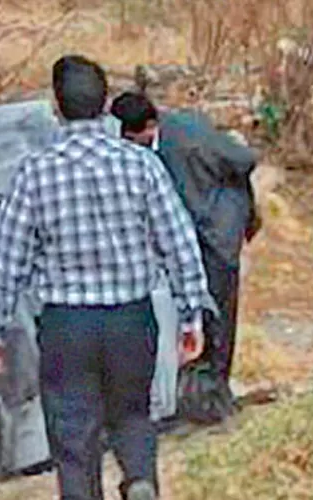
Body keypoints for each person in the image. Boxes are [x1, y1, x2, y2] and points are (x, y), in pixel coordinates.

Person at [0, 54, 215, 500]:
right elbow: (178, 240)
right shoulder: (140, 164)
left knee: (73, 443)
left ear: (55, 108)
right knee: (133, 413)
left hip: (67, 324)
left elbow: (6, 258)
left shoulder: (35, 172)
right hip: (132, 317)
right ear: (106, 105)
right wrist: (192, 312)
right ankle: (140, 480)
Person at [110, 91, 260, 425]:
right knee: (195, 314)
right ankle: (197, 395)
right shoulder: (150, 150)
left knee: (218, 314)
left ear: (147, 127)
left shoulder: (190, 136)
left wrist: (228, 207)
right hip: (190, 234)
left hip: (218, 233)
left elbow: (244, 159)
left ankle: (216, 396)